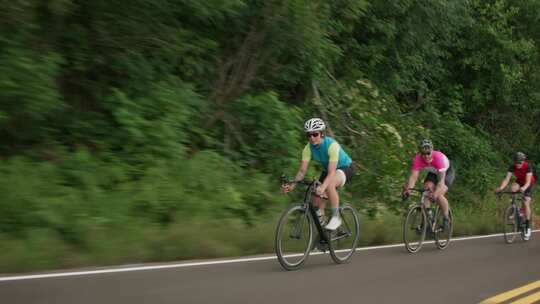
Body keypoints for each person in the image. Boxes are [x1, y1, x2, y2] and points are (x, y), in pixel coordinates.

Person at [281, 118, 356, 230]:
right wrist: (292, 186)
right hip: (329, 170)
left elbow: (331, 173)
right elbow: (302, 171)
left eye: (315, 134)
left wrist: (324, 187)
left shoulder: (332, 145)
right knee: (316, 200)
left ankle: (336, 218)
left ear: (322, 134)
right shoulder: (308, 148)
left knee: (328, 185)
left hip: (346, 167)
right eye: (309, 135)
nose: (312, 138)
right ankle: (323, 234)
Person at [402, 139, 455, 230]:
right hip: (433, 172)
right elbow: (413, 177)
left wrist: (435, 194)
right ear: (420, 153)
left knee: (438, 195)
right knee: (426, 191)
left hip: (446, 173)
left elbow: (441, 182)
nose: (426, 156)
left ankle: (446, 218)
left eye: (428, 153)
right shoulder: (418, 159)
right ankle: (428, 218)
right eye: (423, 153)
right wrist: (408, 190)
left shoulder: (438, 159)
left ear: (432, 151)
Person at [495, 151, 536, 240]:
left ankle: (528, 226)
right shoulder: (512, 166)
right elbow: (507, 179)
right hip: (520, 181)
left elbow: (528, 181)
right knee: (512, 188)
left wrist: (523, 189)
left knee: (526, 202)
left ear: (522, 161)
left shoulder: (527, 166)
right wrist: (501, 188)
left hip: (528, 184)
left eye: (519, 163)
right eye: (516, 163)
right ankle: (513, 207)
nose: (517, 165)